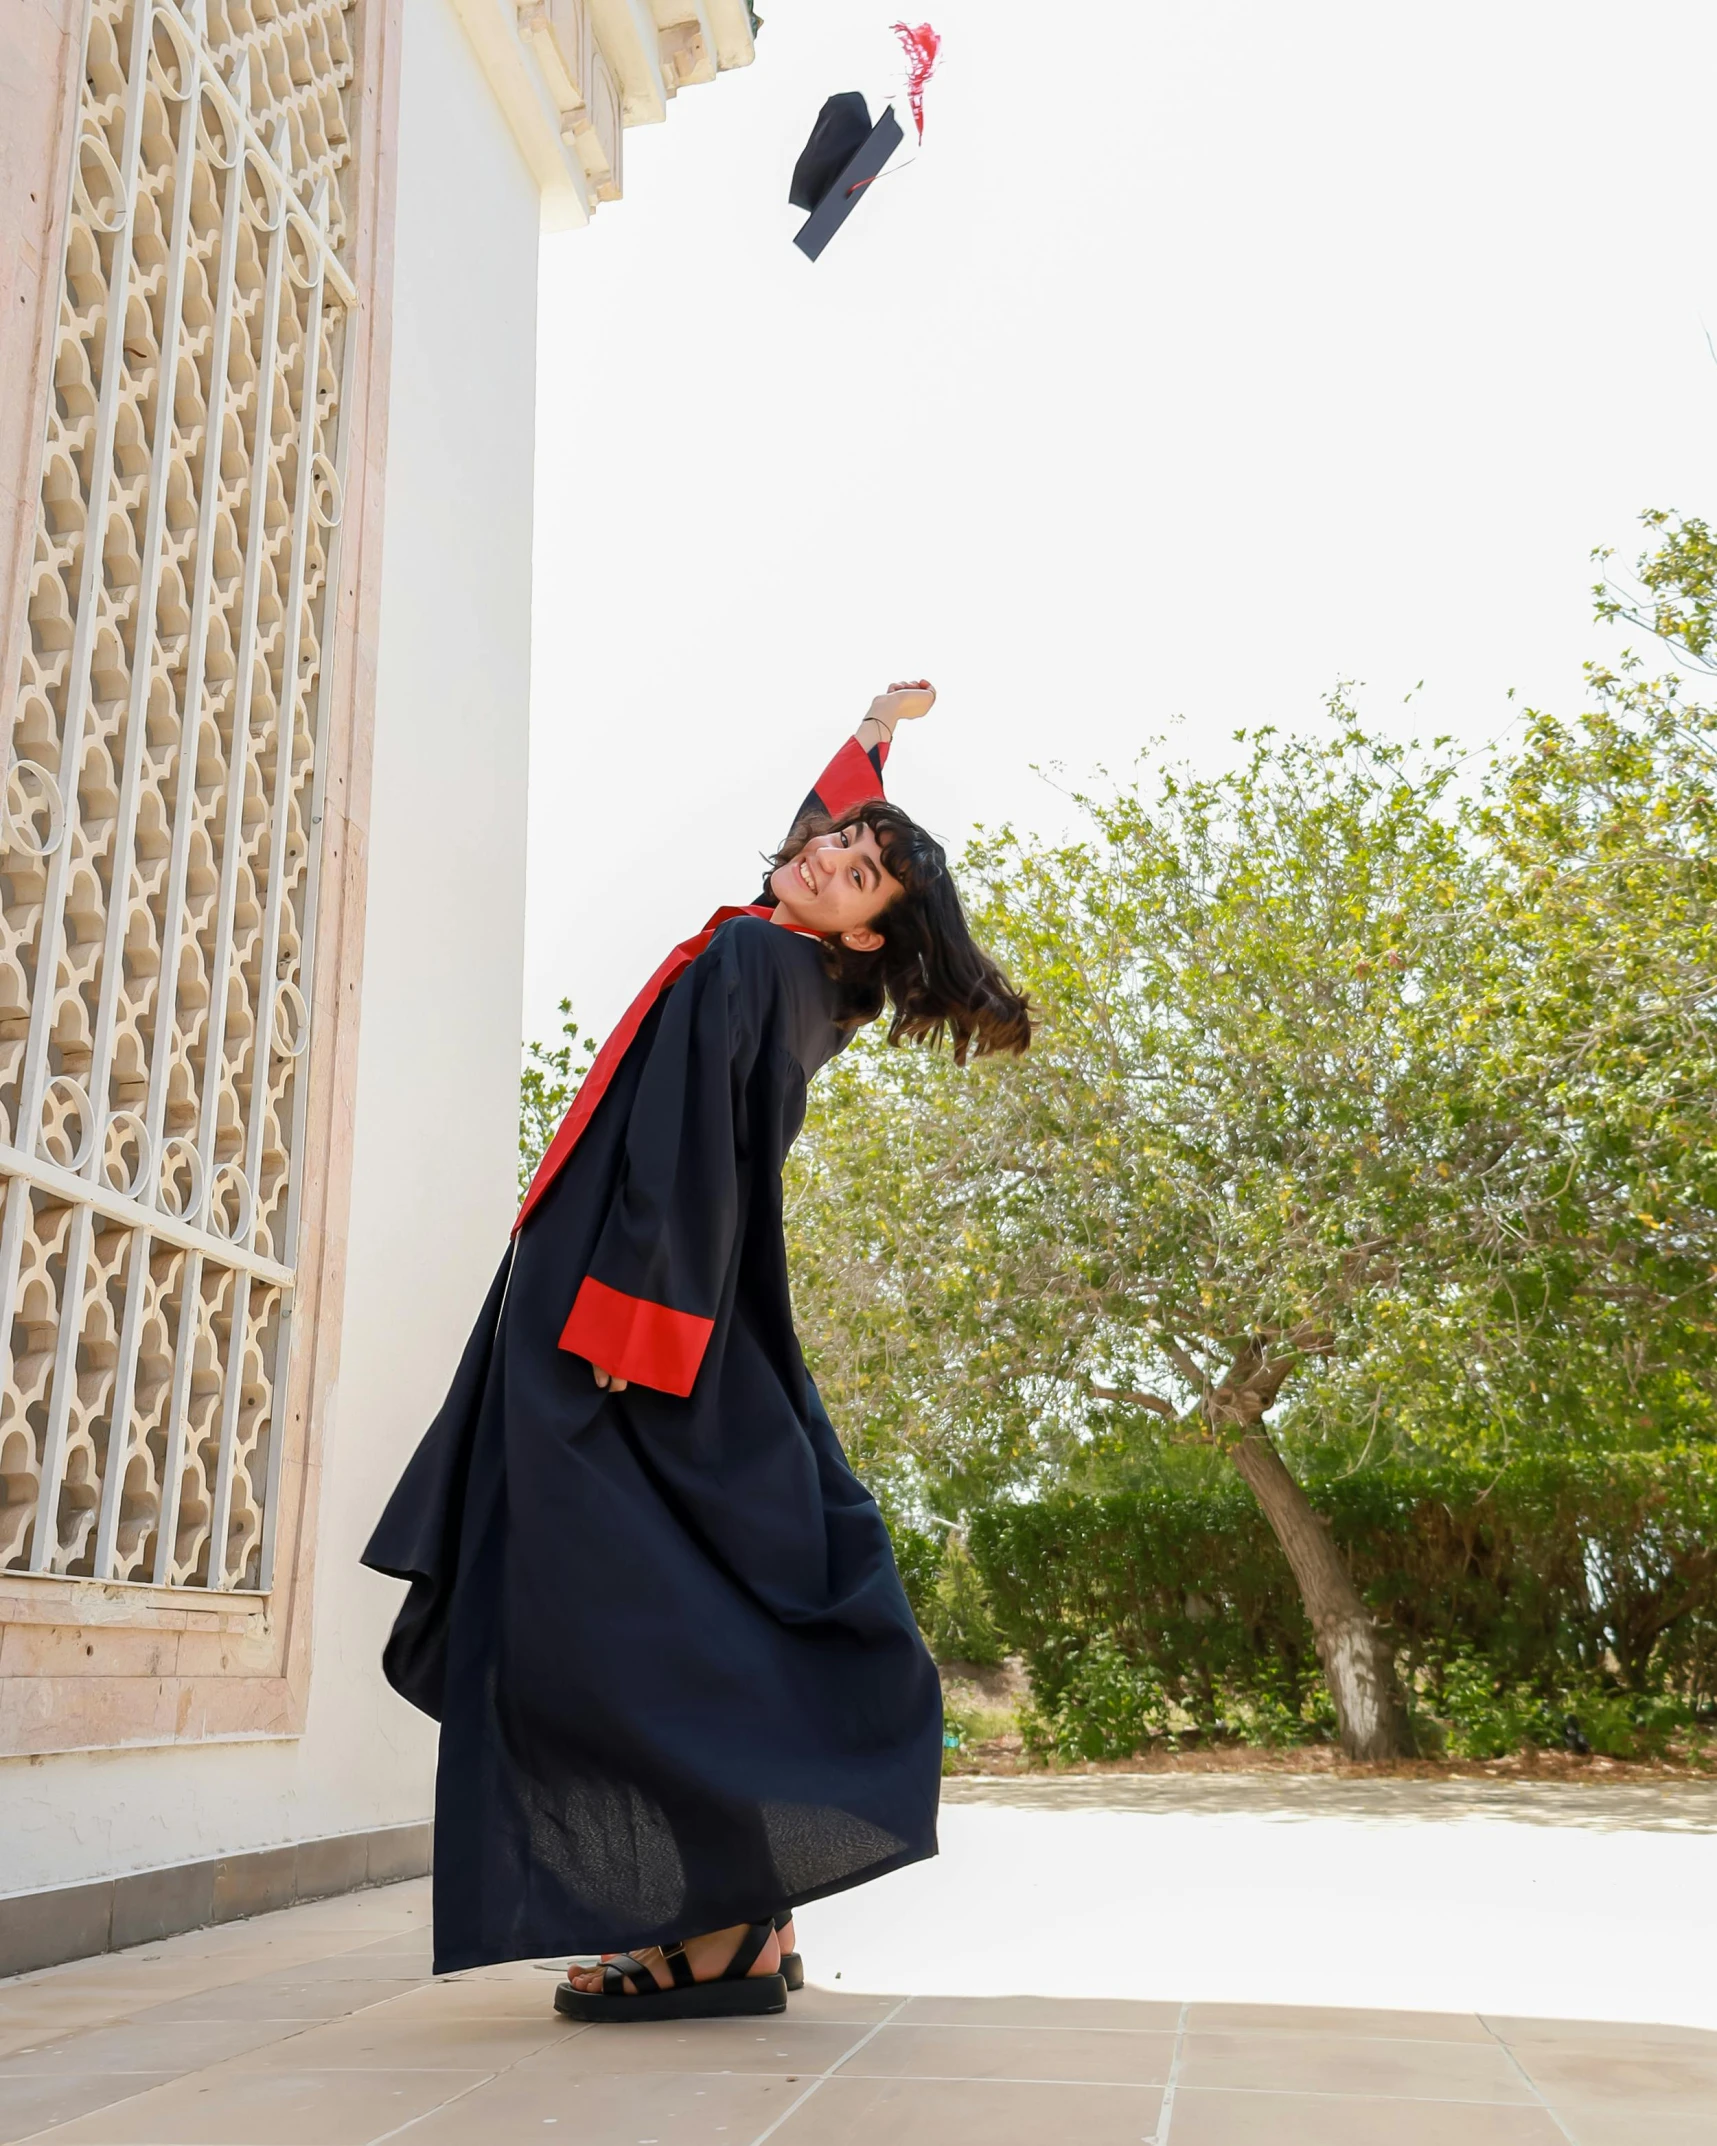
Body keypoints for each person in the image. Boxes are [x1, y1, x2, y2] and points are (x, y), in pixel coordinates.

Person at [361, 683, 1031, 2020]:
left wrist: (624, 1336)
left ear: (870, 930)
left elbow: (684, 1159)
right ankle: (745, 1916)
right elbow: (807, 849)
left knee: (608, 1619)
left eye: (862, 868)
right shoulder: (795, 966)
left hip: (624, 1330)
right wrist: (872, 741)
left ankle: (715, 1928)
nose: (829, 853)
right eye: (842, 842)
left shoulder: (754, 966)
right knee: (678, 1601)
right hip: (652, 1320)